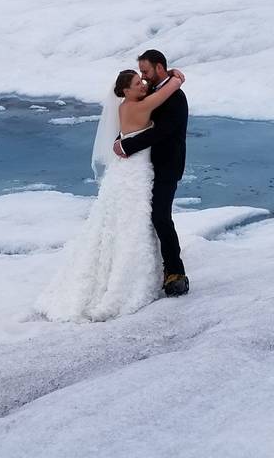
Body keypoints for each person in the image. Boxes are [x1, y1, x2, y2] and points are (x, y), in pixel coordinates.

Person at [35, 66, 185, 322]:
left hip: (125, 172)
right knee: (135, 220)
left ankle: (123, 268)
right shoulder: (141, 105)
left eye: (142, 79)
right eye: (137, 82)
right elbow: (173, 87)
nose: (143, 85)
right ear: (125, 90)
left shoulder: (125, 107)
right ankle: (129, 279)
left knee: (120, 219)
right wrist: (176, 76)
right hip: (136, 172)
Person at [114, 50, 189, 297]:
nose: (143, 79)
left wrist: (126, 146)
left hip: (167, 165)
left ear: (159, 67)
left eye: (145, 72)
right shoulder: (152, 92)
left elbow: (163, 131)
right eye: (140, 75)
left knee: (160, 216)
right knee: (141, 217)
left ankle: (176, 272)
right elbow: (137, 123)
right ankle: (140, 271)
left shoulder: (176, 97)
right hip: (144, 168)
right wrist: (123, 139)